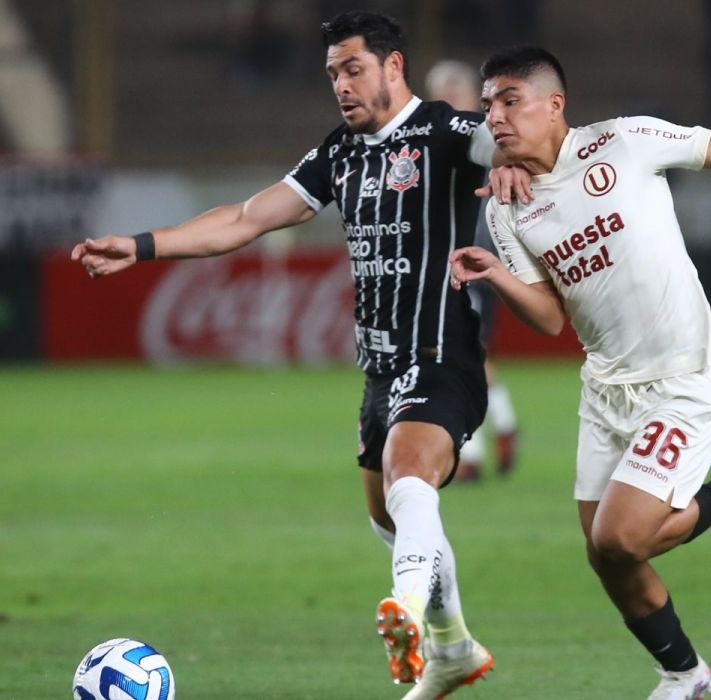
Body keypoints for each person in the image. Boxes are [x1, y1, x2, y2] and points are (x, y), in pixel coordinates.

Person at [73, 12, 525, 699]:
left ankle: (404, 614)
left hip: (442, 357)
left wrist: (521, 164)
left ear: (393, 67)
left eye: (353, 70)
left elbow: (528, 144)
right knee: (391, 517)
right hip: (378, 371)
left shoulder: (446, 131)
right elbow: (247, 218)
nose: (340, 86)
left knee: (410, 485)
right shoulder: (338, 154)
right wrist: (140, 246)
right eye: (332, 75)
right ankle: (454, 647)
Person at [450, 46, 711, 699]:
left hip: (680, 378)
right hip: (605, 387)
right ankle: (685, 674)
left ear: (555, 105)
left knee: (621, 535)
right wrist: (496, 275)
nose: (495, 115)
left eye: (509, 100)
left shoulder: (624, 143)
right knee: (604, 554)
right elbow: (549, 317)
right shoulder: (506, 208)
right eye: (489, 104)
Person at [425, 59, 520, 481]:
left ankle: (473, 454)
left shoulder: (487, 140)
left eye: (454, 95)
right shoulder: (435, 139)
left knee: (460, 352)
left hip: (478, 258)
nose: (446, 104)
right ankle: (502, 424)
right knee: (471, 353)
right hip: (454, 259)